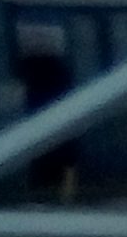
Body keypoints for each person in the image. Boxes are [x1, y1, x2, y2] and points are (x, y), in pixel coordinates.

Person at [14, 47, 82, 203]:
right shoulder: (61, 76)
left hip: (44, 123)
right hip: (60, 123)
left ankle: (42, 194)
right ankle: (65, 196)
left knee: (46, 156)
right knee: (66, 158)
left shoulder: (36, 79)